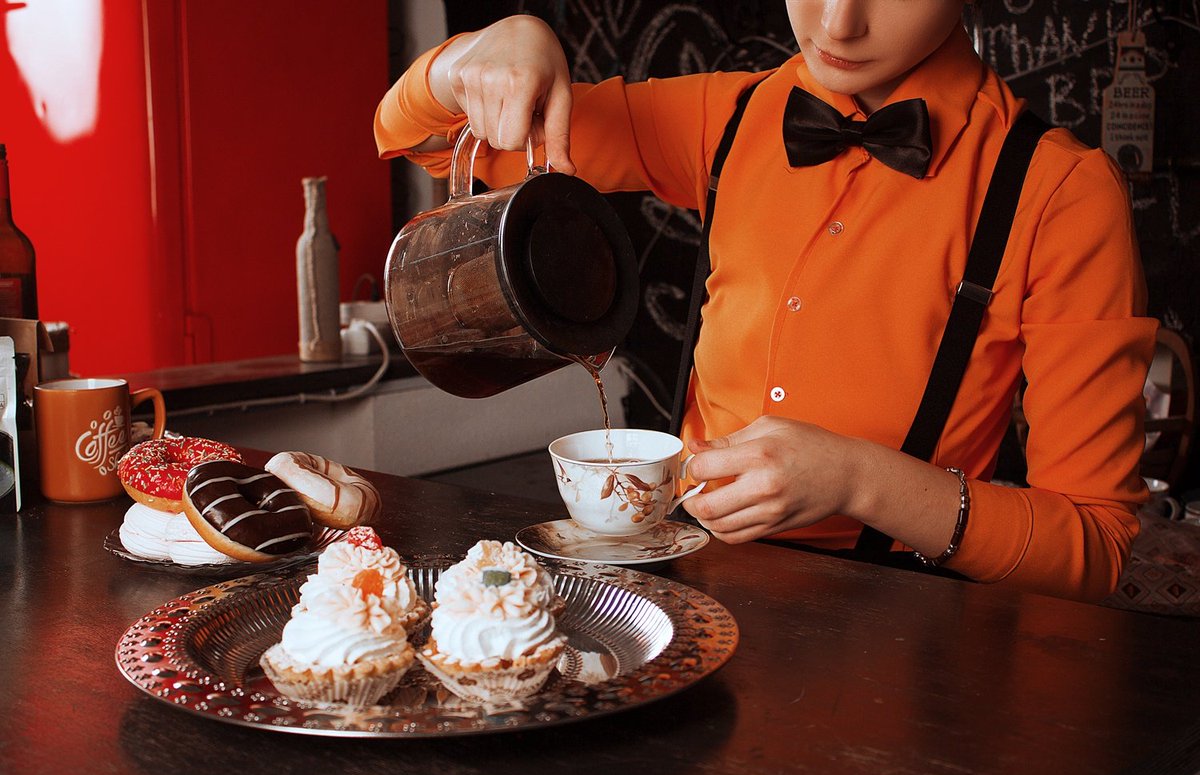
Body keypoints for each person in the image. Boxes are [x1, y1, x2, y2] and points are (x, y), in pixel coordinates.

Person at [374, 2, 1157, 602]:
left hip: (907, 634)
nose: (838, 22)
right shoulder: (732, 115)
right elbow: (422, 137)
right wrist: (479, 54)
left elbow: (1096, 549)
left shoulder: (1060, 192)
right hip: (683, 593)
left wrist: (859, 481)